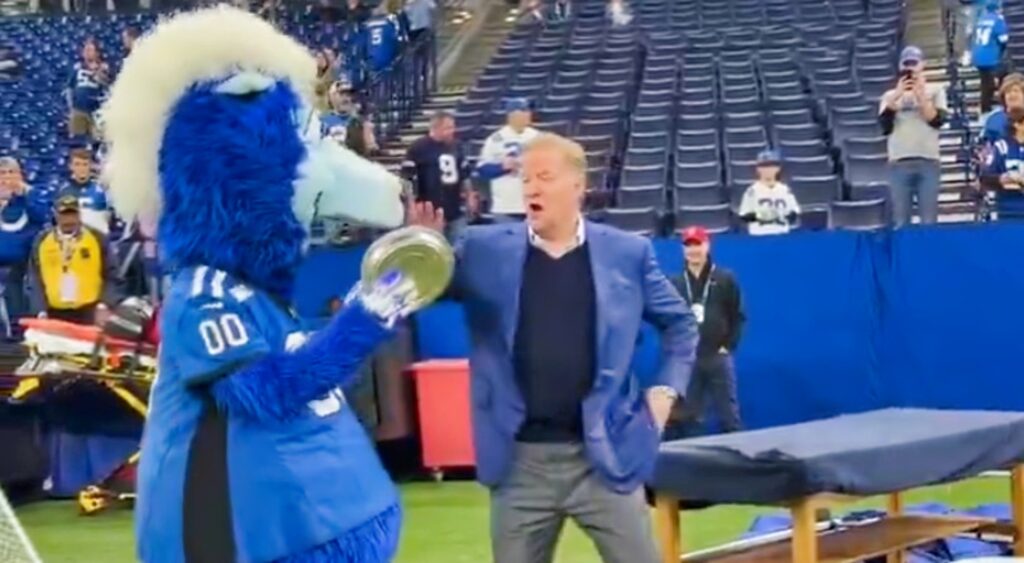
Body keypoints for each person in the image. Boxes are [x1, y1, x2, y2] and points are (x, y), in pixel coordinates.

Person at [410, 132, 697, 563]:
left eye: (544, 177)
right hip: (520, 464)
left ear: (578, 186)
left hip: (604, 457)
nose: (531, 188)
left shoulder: (627, 253)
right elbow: (424, 291)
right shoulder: (485, 250)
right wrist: (421, 251)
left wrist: (664, 393)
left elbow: (680, 325)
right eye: (526, 179)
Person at [665, 226, 745, 439]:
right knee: (689, 417)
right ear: (683, 250)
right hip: (689, 359)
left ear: (707, 246)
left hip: (717, 357)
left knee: (729, 415)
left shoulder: (724, 278)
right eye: (688, 246)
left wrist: (727, 346)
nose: (693, 251)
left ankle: (739, 464)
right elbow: (668, 320)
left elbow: (737, 315)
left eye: (697, 244)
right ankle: (694, 468)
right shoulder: (675, 283)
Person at [878, 45, 948, 227]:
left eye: (914, 64)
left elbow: (936, 121)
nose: (910, 68)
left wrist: (921, 95)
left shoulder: (936, 91)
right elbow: (884, 126)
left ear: (922, 65)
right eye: (907, 64)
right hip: (899, 163)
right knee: (901, 221)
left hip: (928, 161)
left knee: (929, 220)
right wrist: (897, 96)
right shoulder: (888, 96)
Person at [28, 194, 121, 325]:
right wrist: (40, 310)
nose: (68, 220)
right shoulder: (42, 241)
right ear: (56, 216)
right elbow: (35, 278)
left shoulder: (97, 238)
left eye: (72, 215)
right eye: (64, 215)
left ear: (79, 215)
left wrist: (105, 304)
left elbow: (112, 275)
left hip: (90, 312)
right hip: (53, 313)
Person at [402, 111, 476, 242]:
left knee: (459, 250)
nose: (452, 131)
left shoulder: (457, 146)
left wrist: (470, 196)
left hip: (454, 209)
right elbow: (408, 180)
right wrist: (411, 206)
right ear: (436, 128)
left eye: (452, 127)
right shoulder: (418, 148)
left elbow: (465, 174)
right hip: (429, 212)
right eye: (448, 128)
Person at [0, 157, 48, 335]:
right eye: (2, 173)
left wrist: (23, 196)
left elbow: (43, 217)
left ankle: (19, 334)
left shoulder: (31, 194)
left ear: (20, 175)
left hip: (22, 265)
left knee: (17, 301)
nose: (6, 178)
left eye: (11, 172)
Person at [476, 98, 540, 221]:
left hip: (534, 204)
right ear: (512, 115)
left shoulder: (538, 137)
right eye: (524, 111)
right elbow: (482, 170)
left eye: (528, 110)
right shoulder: (496, 139)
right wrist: (502, 167)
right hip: (505, 206)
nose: (528, 114)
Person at [738, 149, 801, 235]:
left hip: (781, 234)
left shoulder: (785, 190)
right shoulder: (752, 191)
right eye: (764, 166)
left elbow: (794, 213)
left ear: (778, 169)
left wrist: (780, 217)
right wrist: (763, 217)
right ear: (758, 169)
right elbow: (744, 215)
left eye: (772, 166)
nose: (768, 170)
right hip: (759, 234)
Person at [981, 107, 1024, 220]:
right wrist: (1003, 178)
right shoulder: (1002, 146)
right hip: (1009, 210)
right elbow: (985, 177)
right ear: (1017, 124)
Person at [66, 38, 110, 141]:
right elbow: (70, 88)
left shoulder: (105, 67)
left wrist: (99, 73)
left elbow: (109, 85)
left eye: (90, 50)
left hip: (97, 111)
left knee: (98, 140)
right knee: (77, 142)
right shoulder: (77, 67)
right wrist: (71, 107)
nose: (86, 52)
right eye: (85, 50)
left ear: (97, 53)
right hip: (78, 110)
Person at [62, 148, 111, 235]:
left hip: (98, 240)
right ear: (71, 166)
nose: (81, 168)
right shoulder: (64, 193)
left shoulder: (103, 191)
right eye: (77, 164)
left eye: (85, 164)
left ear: (90, 166)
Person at [971, 0, 1009, 114]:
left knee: (985, 85)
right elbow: (1004, 40)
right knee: (1003, 81)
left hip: (978, 56)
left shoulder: (981, 20)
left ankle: (985, 109)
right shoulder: (998, 20)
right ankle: (1004, 108)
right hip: (991, 57)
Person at [980, 72, 1024, 145]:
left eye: (1016, 91)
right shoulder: (994, 120)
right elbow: (985, 151)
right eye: (1008, 92)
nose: (1012, 95)